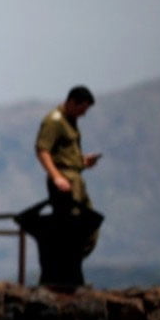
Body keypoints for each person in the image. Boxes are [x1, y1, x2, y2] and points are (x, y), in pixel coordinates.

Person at [31, 85, 103, 284]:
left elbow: (65, 153)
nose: (83, 114)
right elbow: (42, 150)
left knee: (87, 226)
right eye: (82, 108)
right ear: (72, 102)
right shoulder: (54, 121)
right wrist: (56, 176)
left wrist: (83, 162)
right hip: (64, 181)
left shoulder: (70, 121)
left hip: (76, 178)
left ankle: (70, 270)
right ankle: (63, 276)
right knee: (69, 229)